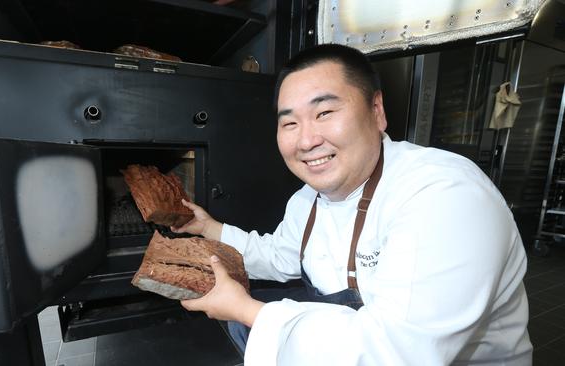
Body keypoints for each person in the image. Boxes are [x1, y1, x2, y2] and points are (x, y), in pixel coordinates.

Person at [171, 44, 532, 365]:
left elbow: (398, 353)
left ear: (376, 111)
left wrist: (246, 310)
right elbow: (276, 255)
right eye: (290, 122)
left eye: (324, 112)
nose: (307, 139)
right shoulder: (307, 201)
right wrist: (207, 228)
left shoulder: (444, 193)